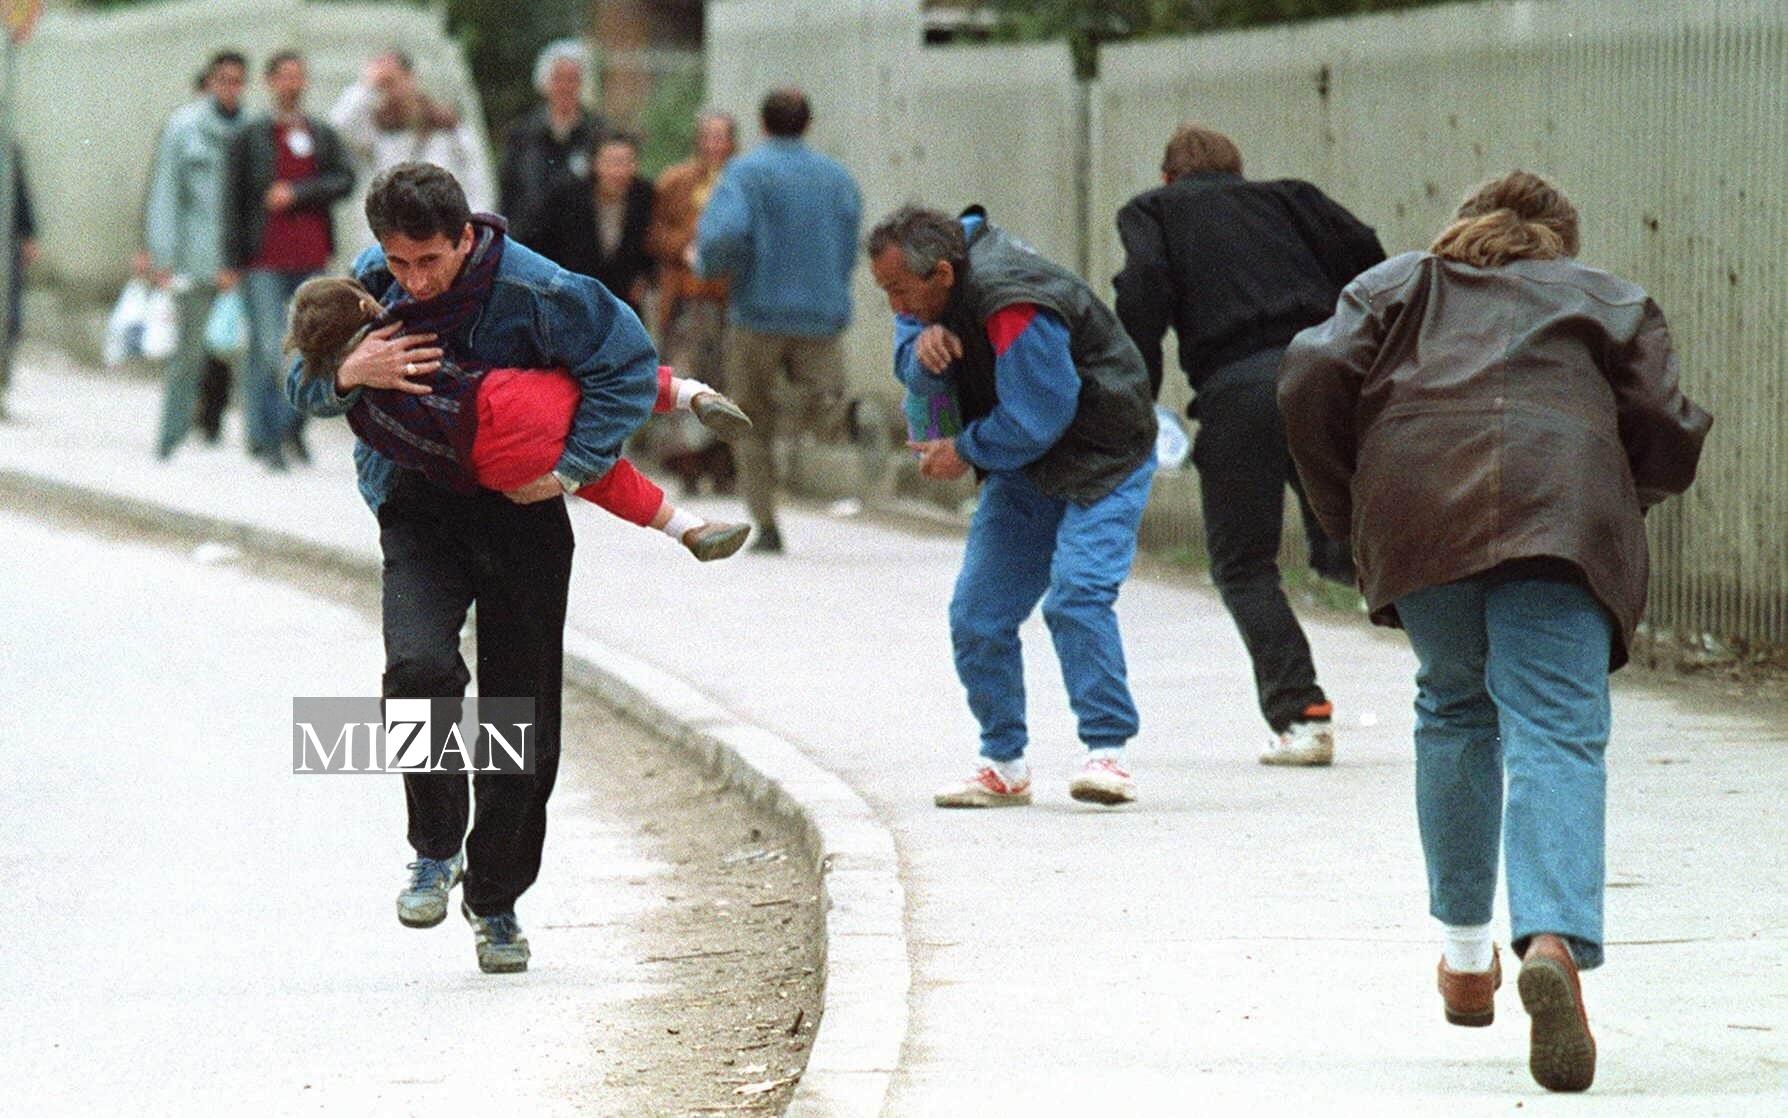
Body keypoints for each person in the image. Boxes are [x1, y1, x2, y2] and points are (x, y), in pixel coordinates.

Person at [1278, 171, 1711, 1093]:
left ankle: (1467, 957)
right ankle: (1551, 937)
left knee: (1454, 709)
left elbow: (1311, 373)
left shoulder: (1393, 287)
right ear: (1561, 239)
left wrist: (1350, 501)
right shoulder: (1609, 299)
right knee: (1556, 728)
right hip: (1560, 514)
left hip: (1419, 507)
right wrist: (1617, 497)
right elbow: (1668, 426)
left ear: (1463, 224)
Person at [287, 162, 658, 974]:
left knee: (522, 721)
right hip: (418, 511)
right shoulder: (367, 285)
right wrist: (350, 374)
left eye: (429, 261)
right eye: (398, 262)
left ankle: (497, 902)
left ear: (465, 236)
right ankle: (433, 848)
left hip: (523, 510)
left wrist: (573, 465)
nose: (412, 282)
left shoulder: (540, 291)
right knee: (417, 666)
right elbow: (298, 383)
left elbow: (629, 367)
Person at [1113, 123, 1386, 766]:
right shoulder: (1292, 198)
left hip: (1240, 393)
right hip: (1323, 379)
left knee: (1244, 563)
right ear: (1240, 171)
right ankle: (1471, 678)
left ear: (1167, 177)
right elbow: (1371, 259)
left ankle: (1302, 713)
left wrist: (1140, 396)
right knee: (1351, 544)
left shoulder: (1153, 210)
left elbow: (1143, 290)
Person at [867, 205, 1158, 809]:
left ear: (942, 273)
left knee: (1077, 595)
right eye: (885, 292)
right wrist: (921, 347)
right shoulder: (928, 292)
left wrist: (965, 451)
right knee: (977, 615)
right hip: (1025, 466)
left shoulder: (1011, 302)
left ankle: (1109, 754)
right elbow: (909, 358)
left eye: (901, 291)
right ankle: (1003, 763)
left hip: (1104, 453)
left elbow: (1039, 414)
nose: (895, 306)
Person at [287, 274, 751, 559]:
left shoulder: (366, 413)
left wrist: (346, 376)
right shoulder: (405, 318)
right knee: (582, 386)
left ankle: (685, 527)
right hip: (500, 401)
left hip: (489, 466)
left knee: (601, 480)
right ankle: (688, 392)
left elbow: (300, 385)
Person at [694, 88, 861, 553]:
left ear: (762, 126)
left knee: (748, 417)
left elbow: (723, 232)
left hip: (757, 312)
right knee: (824, 397)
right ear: (808, 125)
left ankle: (766, 524)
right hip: (820, 313)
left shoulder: (746, 173)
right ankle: (807, 421)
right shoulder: (836, 178)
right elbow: (851, 243)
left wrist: (710, 266)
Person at [222, 50, 354, 470]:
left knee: (313, 347)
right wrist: (229, 259)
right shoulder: (250, 135)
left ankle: (292, 427)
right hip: (262, 257)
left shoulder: (320, 133)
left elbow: (343, 179)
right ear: (270, 82)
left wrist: (299, 194)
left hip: (310, 255)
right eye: (284, 77)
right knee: (268, 347)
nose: (291, 84)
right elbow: (232, 199)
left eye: (298, 77)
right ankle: (266, 437)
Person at [145, 49, 247, 460]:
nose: (230, 88)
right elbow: (165, 192)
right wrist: (163, 254)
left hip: (243, 261)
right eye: (222, 79)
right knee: (187, 354)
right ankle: (169, 439)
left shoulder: (253, 130)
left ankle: (263, 448)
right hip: (195, 258)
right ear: (210, 81)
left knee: (253, 357)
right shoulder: (184, 128)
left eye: (237, 80)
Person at [649, 111, 738, 494]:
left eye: (721, 137)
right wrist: (687, 239)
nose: (714, 145)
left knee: (727, 378)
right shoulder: (676, 182)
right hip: (686, 297)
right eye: (707, 137)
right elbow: (654, 235)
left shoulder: (741, 182)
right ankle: (686, 461)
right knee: (685, 378)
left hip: (730, 298)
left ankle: (722, 461)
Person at [330, 49, 494, 256]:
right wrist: (367, 86)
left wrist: (475, 226)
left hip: (444, 237)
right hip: (392, 241)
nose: (387, 90)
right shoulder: (373, 128)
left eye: (391, 81)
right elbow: (339, 126)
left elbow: (477, 178)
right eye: (381, 84)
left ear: (410, 77)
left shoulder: (445, 123)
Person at [533, 132, 655, 316]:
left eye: (626, 162)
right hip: (574, 299)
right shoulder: (567, 197)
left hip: (625, 305)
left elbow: (654, 243)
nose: (619, 171)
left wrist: (644, 277)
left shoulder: (645, 197)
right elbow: (542, 244)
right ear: (596, 163)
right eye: (613, 162)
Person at [499, 39, 604, 250]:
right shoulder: (521, 133)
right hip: (528, 242)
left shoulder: (598, 134)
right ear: (545, 82)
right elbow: (507, 193)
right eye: (558, 78)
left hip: (580, 249)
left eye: (573, 79)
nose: (565, 87)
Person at [1, 144, 37, 419]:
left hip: (5, 248)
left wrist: (27, 233)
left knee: (9, 321)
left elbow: (19, 189)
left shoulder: (7, 146)